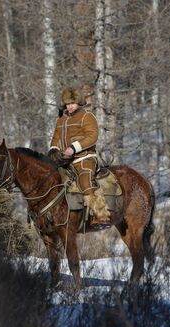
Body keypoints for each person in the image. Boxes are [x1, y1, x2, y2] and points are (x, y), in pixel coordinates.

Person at [47, 87, 111, 229]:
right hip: (64, 161)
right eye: (67, 104)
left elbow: (92, 136)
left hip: (85, 158)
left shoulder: (87, 116)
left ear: (79, 103)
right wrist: (54, 149)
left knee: (85, 181)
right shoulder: (61, 119)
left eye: (73, 103)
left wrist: (74, 147)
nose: (70, 106)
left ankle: (101, 216)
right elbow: (55, 138)